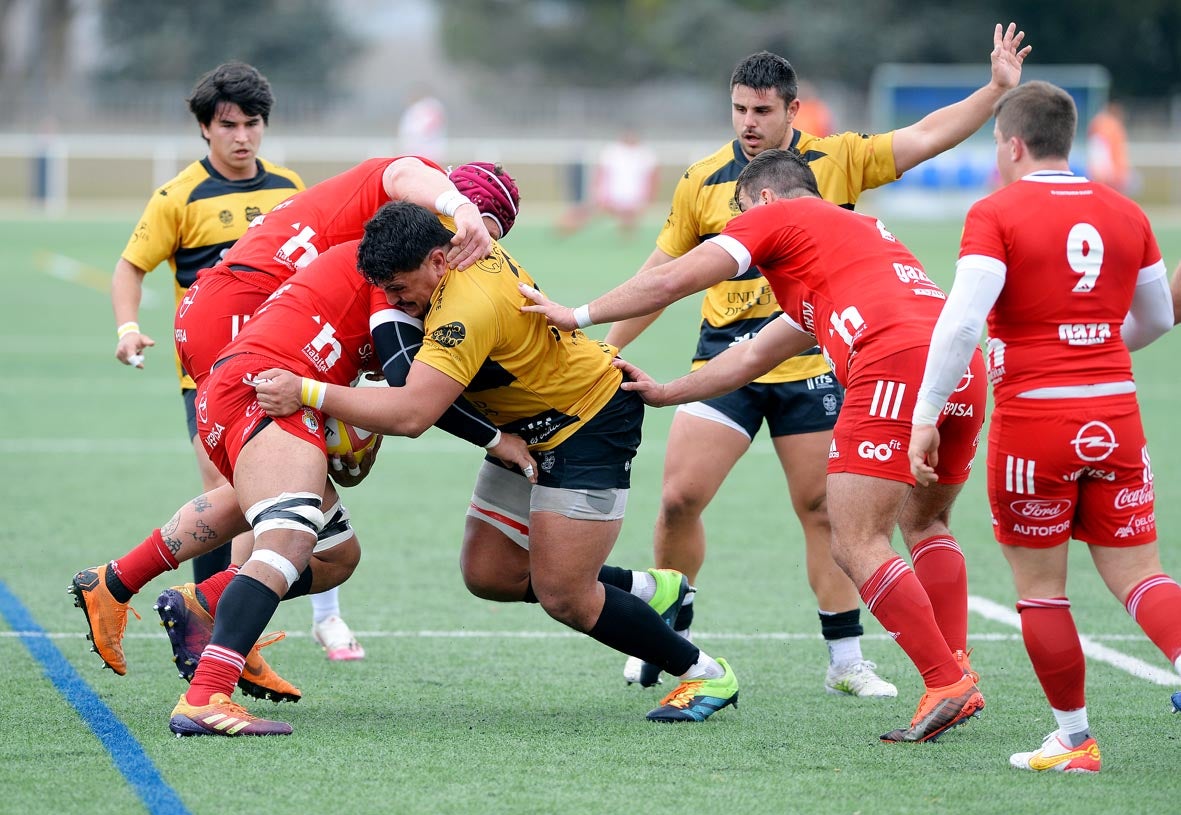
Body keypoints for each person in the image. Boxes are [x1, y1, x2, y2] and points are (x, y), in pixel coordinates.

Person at [598, 22, 1030, 695]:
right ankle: (672, 626)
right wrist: (607, 346)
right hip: (726, 356)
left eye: (762, 110)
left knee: (826, 512)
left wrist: (995, 91)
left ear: (791, 111)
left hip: (816, 358)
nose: (748, 123)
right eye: (739, 108)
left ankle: (846, 659)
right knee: (680, 496)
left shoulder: (837, 160)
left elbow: (925, 135)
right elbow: (662, 271)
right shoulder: (701, 180)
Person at [519, 148, 987, 743]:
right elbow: (753, 355)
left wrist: (575, 314)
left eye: (737, 213)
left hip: (893, 361)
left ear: (763, 198)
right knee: (928, 524)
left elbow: (672, 278)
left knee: (856, 539)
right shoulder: (849, 244)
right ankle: (958, 664)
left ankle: (945, 681)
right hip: (959, 363)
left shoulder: (776, 215)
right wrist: (667, 392)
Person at [252, 201, 741, 730]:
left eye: (399, 288)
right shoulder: (456, 253)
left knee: (565, 595)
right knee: (488, 573)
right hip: (524, 428)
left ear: (439, 261)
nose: (394, 303)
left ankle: (704, 672)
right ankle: (652, 589)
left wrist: (306, 391)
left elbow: (414, 412)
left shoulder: (465, 307)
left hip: (588, 422)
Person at [71, 160, 521, 690]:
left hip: (240, 333)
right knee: (286, 529)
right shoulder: (397, 249)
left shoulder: (387, 250)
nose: (475, 258)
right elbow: (410, 400)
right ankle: (219, 665)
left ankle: (138, 586)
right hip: (245, 337)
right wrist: (493, 430)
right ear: (447, 222)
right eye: (475, 241)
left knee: (323, 544)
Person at [908, 81, 1179, 773]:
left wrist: (926, 412)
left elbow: (963, 319)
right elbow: (1153, 319)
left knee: (1041, 588)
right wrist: (1092, 341)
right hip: (1116, 411)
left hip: (1034, 419)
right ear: (1071, 139)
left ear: (1011, 144)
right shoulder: (1125, 212)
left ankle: (1073, 738)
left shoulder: (996, 210)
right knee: (1140, 575)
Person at [111, 62, 302, 591]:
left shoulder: (290, 189)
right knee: (227, 491)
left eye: (252, 123)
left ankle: (224, 616)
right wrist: (127, 328)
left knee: (276, 495)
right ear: (204, 128)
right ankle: (207, 620)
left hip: (281, 368)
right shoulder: (179, 197)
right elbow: (130, 267)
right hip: (209, 374)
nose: (243, 136)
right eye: (228, 125)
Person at [558, 129, 659, 239]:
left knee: (628, 220)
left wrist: (648, 197)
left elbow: (652, 177)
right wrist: (599, 193)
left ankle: (626, 241)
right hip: (611, 196)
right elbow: (601, 174)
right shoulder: (612, 152)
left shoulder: (645, 154)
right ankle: (565, 227)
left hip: (632, 197)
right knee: (590, 215)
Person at [1086, 99, 1132, 194]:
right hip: (1109, 173)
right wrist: (1104, 172)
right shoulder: (1105, 125)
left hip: (1113, 172)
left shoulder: (1109, 125)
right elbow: (1099, 148)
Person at [397, 86, 448, 164]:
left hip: (426, 150)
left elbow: (426, 128)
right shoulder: (417, 108)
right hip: (418, 150)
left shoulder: (429, 106)